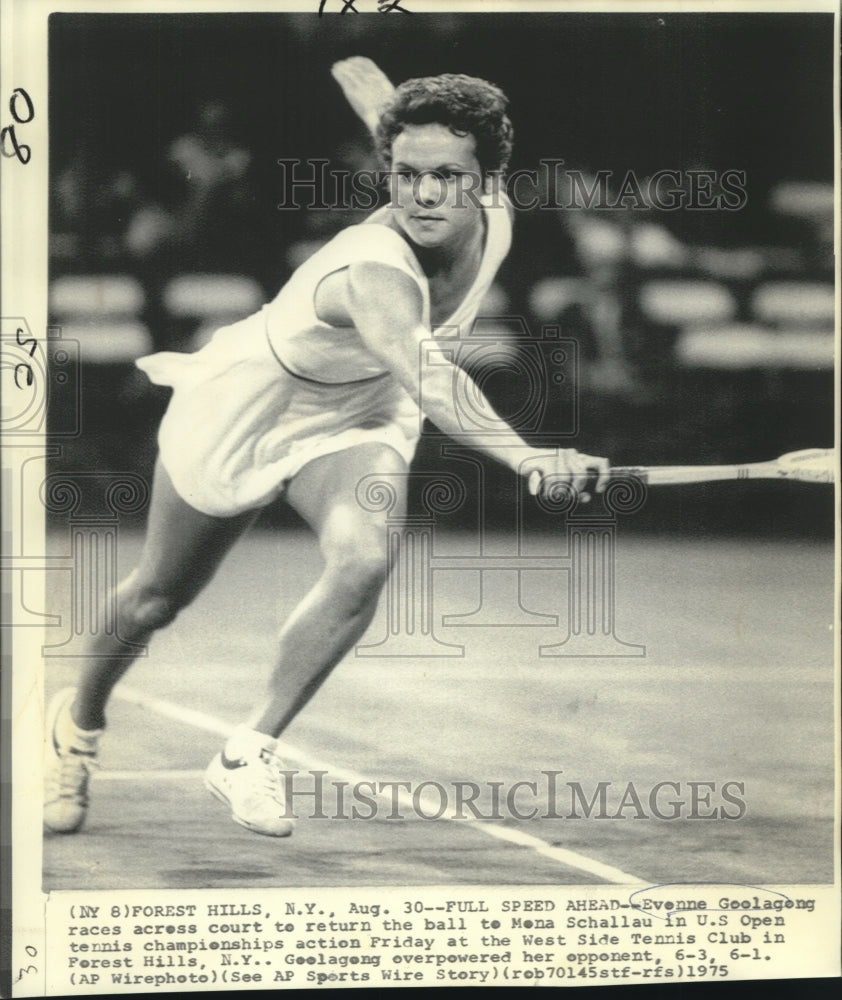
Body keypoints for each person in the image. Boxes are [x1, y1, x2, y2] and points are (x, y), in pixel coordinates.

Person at [44, 59, 610, 839]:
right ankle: (75, 731)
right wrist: (530, 458)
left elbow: (397, 121)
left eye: (448, 174)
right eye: (405, 174)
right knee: (156, 599)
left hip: (361, 414)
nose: (423, 194)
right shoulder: (371, 269)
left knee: (365, 559)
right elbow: (433, 378)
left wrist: (374, 93)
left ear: (489, 178)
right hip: (250, 406)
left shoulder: (496, 211)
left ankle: (249, 750)